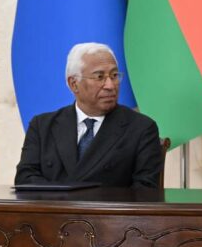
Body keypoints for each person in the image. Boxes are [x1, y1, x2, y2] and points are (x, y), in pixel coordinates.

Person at [15, 42, 163, 188]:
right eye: (99, 77)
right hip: (53, 205)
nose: (110, 85)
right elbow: (25, 178)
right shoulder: (42, 126)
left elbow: (144, 190)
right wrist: (64, 198)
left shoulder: (141, 128)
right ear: (74, 84)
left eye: (114, 75)